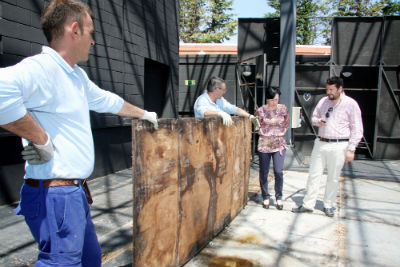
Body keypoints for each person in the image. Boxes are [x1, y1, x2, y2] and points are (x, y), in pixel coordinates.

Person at [0, 1, 158, 266]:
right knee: (61, 262)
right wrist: (42, 140)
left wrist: (143, 114)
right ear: (74, 29)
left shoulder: (75, 76)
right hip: (55, 196)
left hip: (72, 194)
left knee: (90, 259)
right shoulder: (42, 69)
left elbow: (106, 100)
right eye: (91, 32)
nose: (93, 41)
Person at [292, 76, 363, 217]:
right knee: (314, 174)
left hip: (339, 145)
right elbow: (313, 118)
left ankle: (328, 205)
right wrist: (318, 121)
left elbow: (357, 128)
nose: (328, 92)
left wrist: (351, 149)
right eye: (327, 89)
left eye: (331, 90)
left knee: (333, 177)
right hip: (321, 142)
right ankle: (308, 204)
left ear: (340, 89)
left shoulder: (351, 104)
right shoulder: (323, 102)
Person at [255, 87, 289, 210]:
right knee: (264, 171)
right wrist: (264, 133)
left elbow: (286, 123)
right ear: (267, 99)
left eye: (277, 100)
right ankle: (265, 196)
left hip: (279, 143)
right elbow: (256, 125)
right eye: (273, 100)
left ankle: (279, 197)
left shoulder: (283, 109)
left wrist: (278, 133)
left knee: (278, 171)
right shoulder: (260, 111)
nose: (275, 102)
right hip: (264, 143)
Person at [194, 76, 260, 129]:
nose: (224, 92)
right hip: (203, 138)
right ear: (217, 89)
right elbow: (204, 112)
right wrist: (220, 113)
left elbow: (234, 109)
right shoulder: (202, 100)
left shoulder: (220, 100)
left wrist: (250, 116)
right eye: (223, 90)